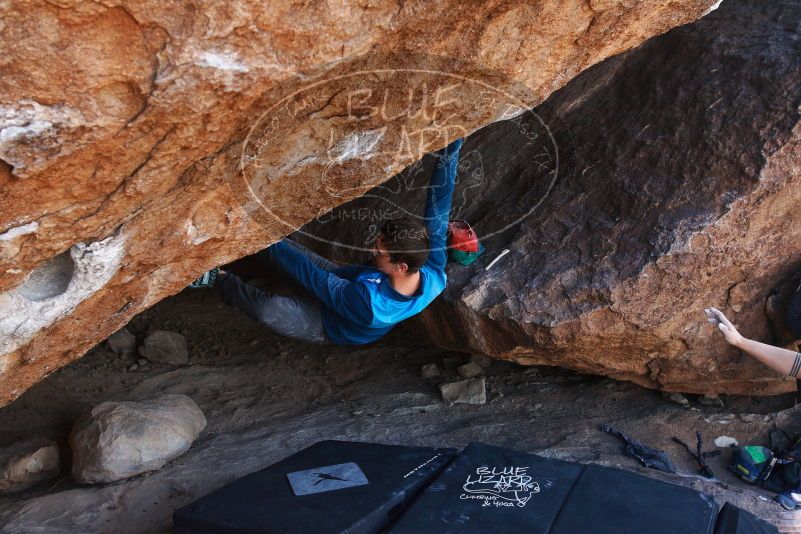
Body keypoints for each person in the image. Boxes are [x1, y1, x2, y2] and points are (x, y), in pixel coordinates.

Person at [192, 137, 465, 345]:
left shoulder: (370, 306)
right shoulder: (432, 267)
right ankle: (250, 243)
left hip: (328, 323)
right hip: (348, 280)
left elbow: (309, 274)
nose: (372, 249)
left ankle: (218, 278)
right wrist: (452, 147)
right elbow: (438, 209)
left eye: (380, 251)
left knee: (270, 307)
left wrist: (253, 231)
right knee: (282, 250)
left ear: (401, 266)